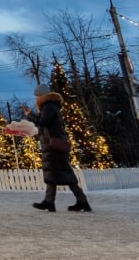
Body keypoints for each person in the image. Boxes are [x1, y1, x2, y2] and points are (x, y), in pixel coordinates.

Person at [23, 84, 92, 213]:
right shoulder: (51, 106)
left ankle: (76, 201)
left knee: (58, 172)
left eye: (37, 96)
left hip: (52, 144)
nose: (36, 98)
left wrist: (30, 115)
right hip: (54, 143)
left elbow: (43, 121)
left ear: (41, 96)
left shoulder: (48, 106)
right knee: (54, 173)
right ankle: (53, 201)